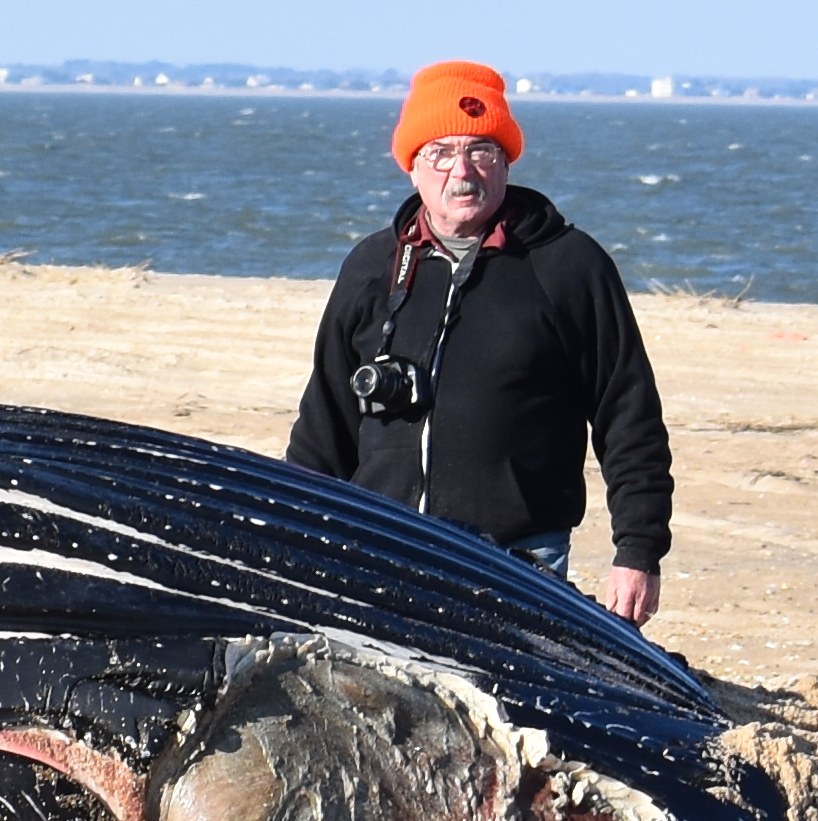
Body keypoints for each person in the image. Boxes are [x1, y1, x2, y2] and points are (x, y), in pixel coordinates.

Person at [287, 62, 672, 624]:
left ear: (507, 162)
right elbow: (324, 424)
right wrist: (293, 533)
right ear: (412, 167)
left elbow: (628, 415)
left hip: (517, 559)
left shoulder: (567, 265)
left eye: (482, 151)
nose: (461, 171)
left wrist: (638, 550)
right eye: (440, 152)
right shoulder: (372, 267)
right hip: (380, 547)